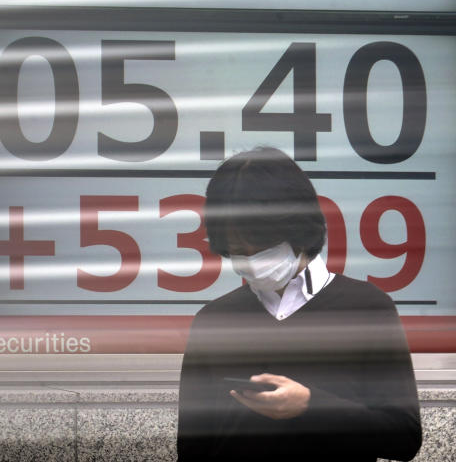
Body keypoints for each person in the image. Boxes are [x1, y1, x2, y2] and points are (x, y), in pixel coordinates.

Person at [177, 147, 421, 462]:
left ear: (299, 230)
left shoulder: (368, 309)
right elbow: (192, 449)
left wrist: (310, 405)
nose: (251, 263)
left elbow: (404, 437)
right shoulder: (212, 321)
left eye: (263, 248)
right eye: (238, 251)